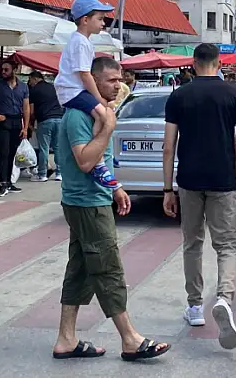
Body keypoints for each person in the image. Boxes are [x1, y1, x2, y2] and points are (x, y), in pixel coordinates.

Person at [52, 56, 171, 362]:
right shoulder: (80, 115)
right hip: (86, 202)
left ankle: (66, 338)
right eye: (111, 80)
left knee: (80, 269)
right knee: (107, 268)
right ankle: (130, 338)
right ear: (92, 81)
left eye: (120, 80)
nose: (118, 85)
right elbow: (85, 160)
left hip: (90, 198)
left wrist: (115, 187)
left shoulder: (97, 111)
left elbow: (99, 163)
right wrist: (108, 127)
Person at [162, 43, 236, 350]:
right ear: (219, 63)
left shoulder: (178, 95)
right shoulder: (233, 94)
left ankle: (194, 307)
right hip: (222, 181)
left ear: (193, 64)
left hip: (189, 180)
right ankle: (224, 298)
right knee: (226, 245)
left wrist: (167, 189)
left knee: (192, 243)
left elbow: (169, 147)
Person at [55, 0, 119, 189]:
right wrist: (98, 98)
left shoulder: (81, 41)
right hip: (72, 91)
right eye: (99, 19)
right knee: (102, 115)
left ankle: (102, 156)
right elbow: (85, 75)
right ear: (85, 20)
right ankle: (98, 163)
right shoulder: (81, 42)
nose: (103, 23)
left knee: (103, 113)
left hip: (73, 90)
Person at [0, 60, 31, 197]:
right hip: (3, 121)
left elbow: (26, 107)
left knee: (12, 153)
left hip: (17, 121)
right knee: (4, 153)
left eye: (6, 69)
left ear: (14, 70)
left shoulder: (23, 86)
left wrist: (25, 127)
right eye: (2, 69)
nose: (3, 72)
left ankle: (9, 181)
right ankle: (3, 183)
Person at [29, 70, 64, 182]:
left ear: (35, 78)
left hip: (44, 120)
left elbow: (31, 111)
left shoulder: (34, 90)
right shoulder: (53, 87)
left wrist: (31, 123)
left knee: (44, 148)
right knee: (58, 147)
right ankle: (60, 173)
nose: (30, 83)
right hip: (59, 118)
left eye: (30, 80)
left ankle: (42, 174)